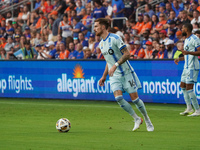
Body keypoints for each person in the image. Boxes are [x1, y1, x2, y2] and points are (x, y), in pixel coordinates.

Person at [94, 18, 154, 131]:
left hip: (126, 73)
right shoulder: (101, 44)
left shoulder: (115, 38)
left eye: (96, 26)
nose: (94, 28)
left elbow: (127, 54)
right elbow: (108, 61)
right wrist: (104, 76)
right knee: (118, 98)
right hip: (114, 75)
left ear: (103, 27)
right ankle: (136, 118)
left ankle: (147, 119)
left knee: (135, 99)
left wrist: (116, 65)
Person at [174, 23, 200, 116]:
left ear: (187, 29)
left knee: (189, 88)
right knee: (183, 86)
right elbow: (187, 54)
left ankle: (197, 110)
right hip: (186, 66)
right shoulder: (187, 40)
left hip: (192, 66)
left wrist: (188, 52)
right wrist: (180, 59)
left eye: (183, 28)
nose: (182, 30)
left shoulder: (195, 39)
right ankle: (189, 108)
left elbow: (199, 51)